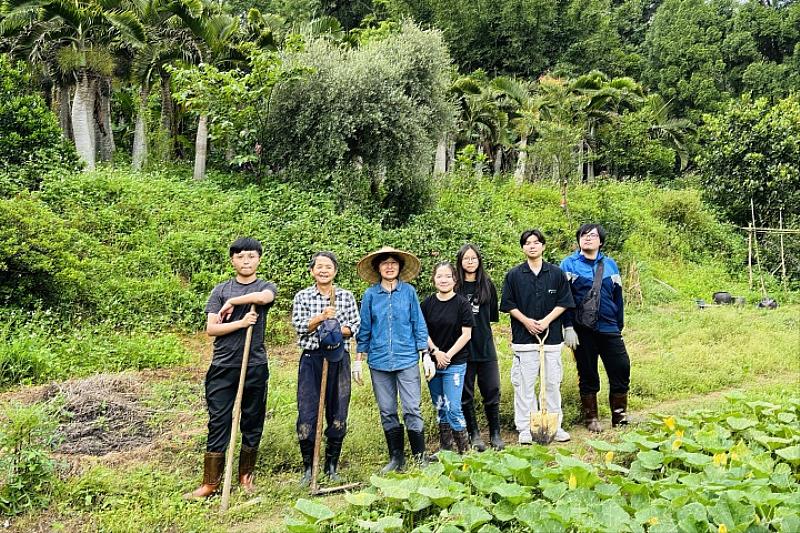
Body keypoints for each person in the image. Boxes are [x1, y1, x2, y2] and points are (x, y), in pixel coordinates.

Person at [184, 237, 277, 499]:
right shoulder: (220, 290)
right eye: (240, 257)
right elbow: (212, 328)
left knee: (252, 420)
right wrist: (240, 323)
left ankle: (245, 477)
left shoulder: (265, 286)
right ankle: (210, 483)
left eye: (251, 256)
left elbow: (263, 297)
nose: (245, 261)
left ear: (259, 259)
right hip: (223, 364)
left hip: (254, 364)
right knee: (219, 420)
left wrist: (236, 303)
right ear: (232, 260)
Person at [354, 246, 436, 472]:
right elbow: (365, 328)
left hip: (407, 358)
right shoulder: (370, 295)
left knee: (412, 407)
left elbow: (418, 324)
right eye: (384, 263)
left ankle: (420, 457)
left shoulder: (408, 292)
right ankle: (396, 458)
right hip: (379, 361)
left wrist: (425, 355)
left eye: (393, 263)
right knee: (387, 410)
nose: (389, 267)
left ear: (399, 267)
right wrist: (358, 359)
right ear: (378, 268)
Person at [292, 251, 360, 485]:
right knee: (307, 414)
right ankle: (309, 468)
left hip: (338, 358)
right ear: (312, 271)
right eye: (319, 267)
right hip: (312, 359)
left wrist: (333, 329)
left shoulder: (345, 296)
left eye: (328, 267)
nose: (323, 270)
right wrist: (322, 318)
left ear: (335, 271)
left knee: (338, 412)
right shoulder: (302, 296)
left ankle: (331, 466)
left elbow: (354, 327)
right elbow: (300, 326)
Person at [500, 229, 574, 444]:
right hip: (524, 340)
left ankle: (555, 426)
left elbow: (564, 302)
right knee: (524, 385)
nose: (532, 246)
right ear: (522, 248)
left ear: (543, 246)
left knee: (552, 383)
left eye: (536, 242)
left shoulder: (556, 273)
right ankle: (525, 427)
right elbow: (508, 304)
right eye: (527, 243)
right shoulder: (514, 275)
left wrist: (546, 321)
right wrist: (526, 321)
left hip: (551, 340)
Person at [560, 223, 630, 432]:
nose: (587, 238)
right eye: (583, 235)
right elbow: (564, 299)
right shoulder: (569, 264)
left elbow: (618, 296)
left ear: (601, 241)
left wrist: (619, 324)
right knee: (588, 372)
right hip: (582, 329)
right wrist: (567, 326)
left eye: (592, 235)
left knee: (621, 367)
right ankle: (591, 418)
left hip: (609, 327)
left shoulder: (610, 265)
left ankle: (620, 416)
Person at [421, 262, 475, 454]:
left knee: (453, 407)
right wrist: (436, 352)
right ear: (433, 279)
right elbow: (422, 331)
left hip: (455, 363)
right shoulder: (427, 304)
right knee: (440, 407)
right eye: (439, 276)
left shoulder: (462, 303)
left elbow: (466, 334)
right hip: (433, 364)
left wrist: (448, 355)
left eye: (447, 276)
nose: (443, 280)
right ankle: (446, 450)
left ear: (454, 279)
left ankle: (464, 451)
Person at [455, 244, 504, 451]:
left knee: (492, 389)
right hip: (462, 348)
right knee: (466, 394)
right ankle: (474, 434)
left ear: (479, 261)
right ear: (460, 262)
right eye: (466, 258)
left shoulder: (487, 285)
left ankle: (495, 433)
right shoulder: (455, 287)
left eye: (473, 258)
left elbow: (492, 317)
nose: (470, 262)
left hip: (485, 345)